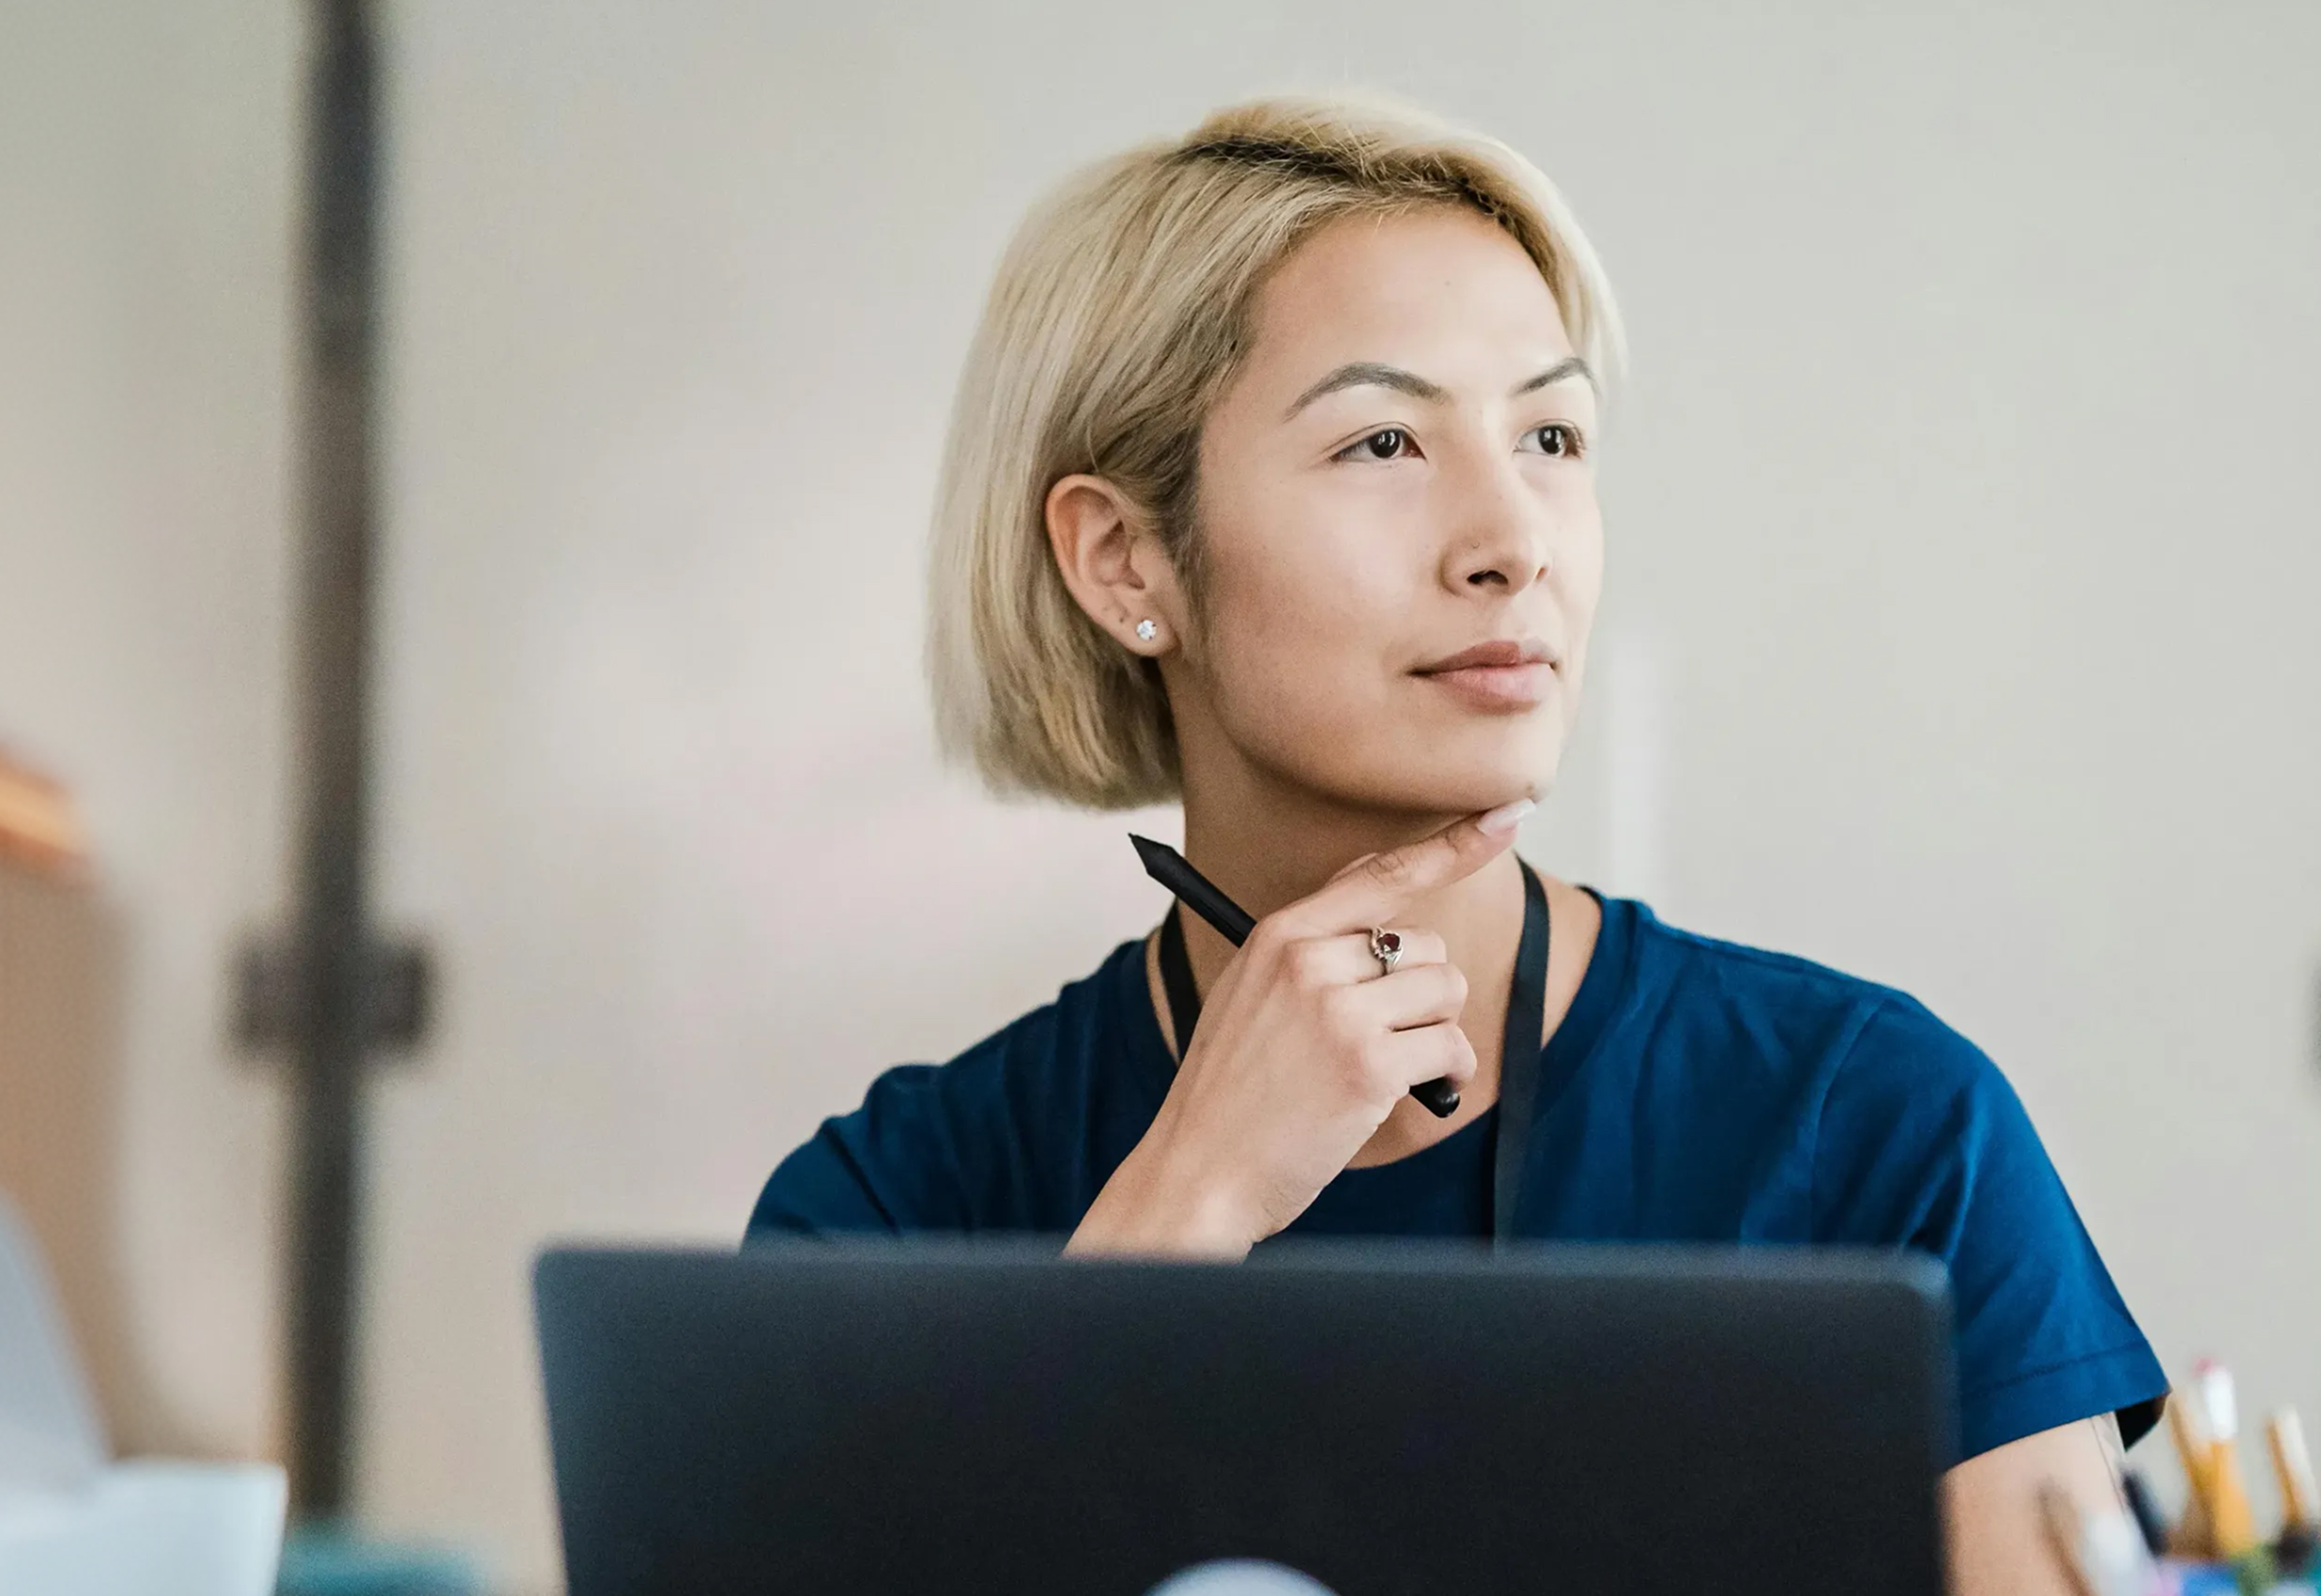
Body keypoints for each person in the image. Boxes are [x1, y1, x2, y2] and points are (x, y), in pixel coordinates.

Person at [749, 92, 2166, 1592]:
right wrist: (1186, 1210)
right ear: (1124, 560)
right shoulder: (889, 1221)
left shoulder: (1879, 1128)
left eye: (1552, 433)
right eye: (1382, 442)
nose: (1514, 537)